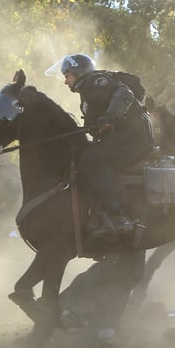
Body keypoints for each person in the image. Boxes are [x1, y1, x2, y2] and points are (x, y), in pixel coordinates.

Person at [51, 53, 154, 240]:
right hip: (123, 140)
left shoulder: (96, 81)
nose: (65, 82)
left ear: (78, 71)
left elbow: (125, 93)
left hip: (134, 140)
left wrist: (110, 118)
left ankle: (118, 216)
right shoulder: (88, 90)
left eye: (67, 76)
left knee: (91, 160)